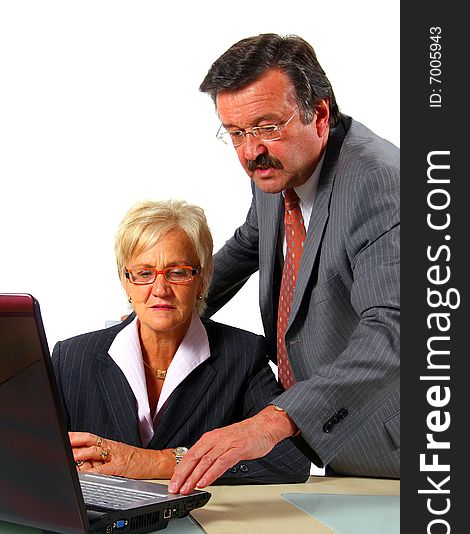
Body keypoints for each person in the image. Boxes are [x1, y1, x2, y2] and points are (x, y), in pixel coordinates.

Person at [168, 33, 399, 495]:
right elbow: (249, 244)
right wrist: (169, 305)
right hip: (338, 452)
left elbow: (395, 331)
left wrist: (272, 422)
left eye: (266, 126)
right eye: (235, 133)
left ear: (319, 115)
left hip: (396, 451)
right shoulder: (278, 168)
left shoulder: (382, 186)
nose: (251, 151)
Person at [51, 199, 310, 483]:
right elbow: (36, 457)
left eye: (178, 272)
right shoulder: (72, 357)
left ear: (202, 280)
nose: (160, 289)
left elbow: (290, 460)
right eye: (144, 273)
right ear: (126, 281)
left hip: (202, 522)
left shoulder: (242, 355)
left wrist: (159, 463)